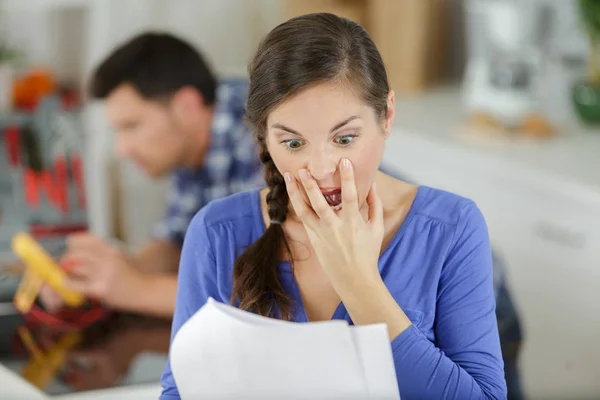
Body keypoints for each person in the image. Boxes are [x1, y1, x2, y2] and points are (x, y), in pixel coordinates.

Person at [160, 12, 507, 400]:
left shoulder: (451, 228)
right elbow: (182, 391)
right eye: (293, 143)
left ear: (387, 116)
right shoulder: (216, 233)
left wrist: (358, 282)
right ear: (265, 140)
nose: (322, 169)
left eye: (344, 138)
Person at [39, 32, 264, 318]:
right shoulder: (191, 143)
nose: (121, 149)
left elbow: (268, 292)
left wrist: (138, 290)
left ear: (187, 106)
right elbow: (173, 241)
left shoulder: (264, 138)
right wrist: (105, 272)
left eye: (131, 126)